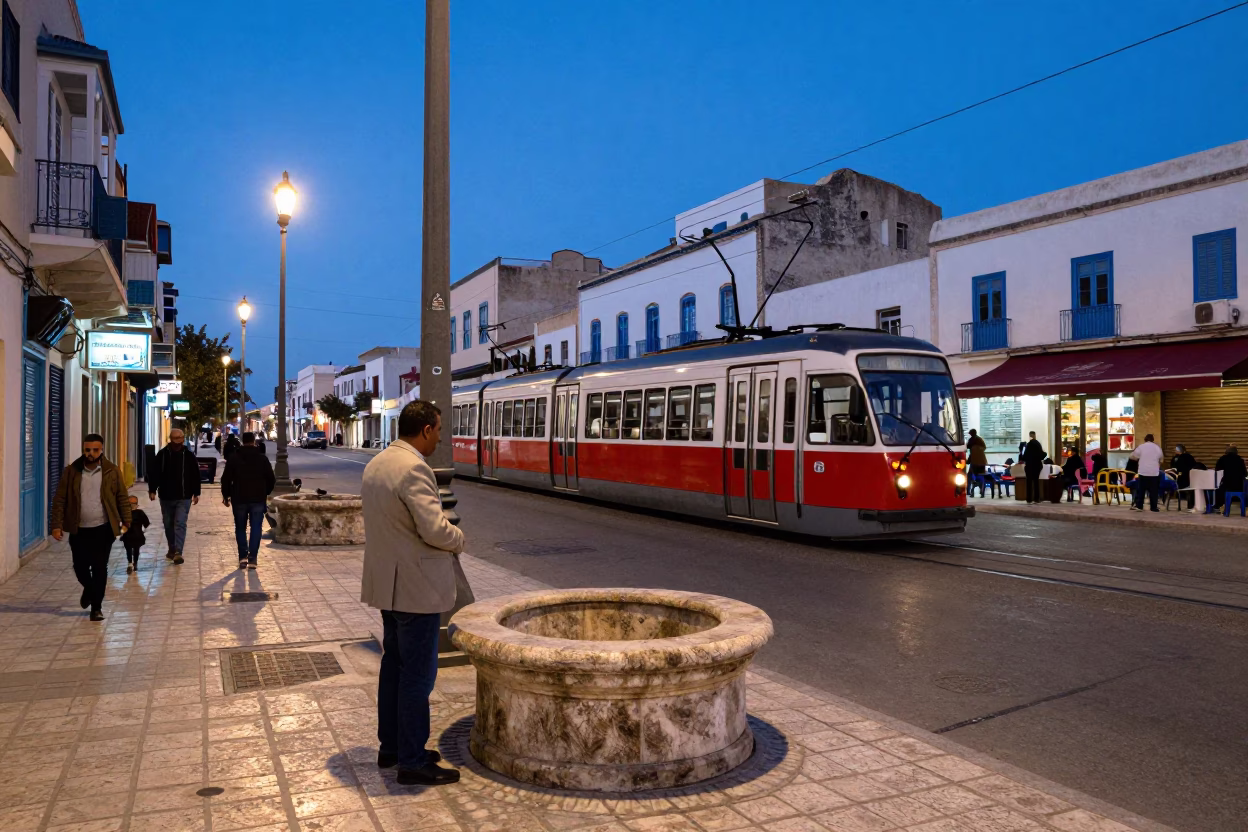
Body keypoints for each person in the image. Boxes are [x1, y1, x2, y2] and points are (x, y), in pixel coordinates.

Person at [360, 401, 465, 787]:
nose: (440, 436)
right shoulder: (415, 468)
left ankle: (392, 747)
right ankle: (412, 760)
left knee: (394, 668)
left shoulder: (379, 462)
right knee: (418, 677)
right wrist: (458, 539)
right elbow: (435, 529)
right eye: (438, 429)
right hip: (415, 588)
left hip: (387, 585)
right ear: (424, 430)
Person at [49, 434, 132, 621]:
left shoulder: (112, 471)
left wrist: (127, 520)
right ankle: (89, 587)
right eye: (87, 449)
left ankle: (96, 607)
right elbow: (60, 499)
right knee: (79, 567)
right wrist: (56, 525)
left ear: (101, 450)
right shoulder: (72, 471)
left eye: (95, 450)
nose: (90, 453)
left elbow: (121, 497)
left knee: (100, 568)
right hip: (79, 529)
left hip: (103, 528)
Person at [221, 431, 276, 570]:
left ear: (242, 442)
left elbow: (226, 479)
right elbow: (271, 479)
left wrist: (226, 495)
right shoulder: (262, 458)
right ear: (253, 441)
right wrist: (265, 492)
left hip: (239, 498)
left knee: (240, 527)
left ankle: (242, 557)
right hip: (257, 498)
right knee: (256, 527)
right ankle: (253, 558)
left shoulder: (234, 458)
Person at [146, 428, 201, 564]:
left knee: (180, 523)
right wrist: (152, 489)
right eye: (175, 438)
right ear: (170, 439)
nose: (177, 441)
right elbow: (155, 473)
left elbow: (195, 474)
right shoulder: (162, 454)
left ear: (183, 439)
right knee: (168, 524)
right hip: (166, 496)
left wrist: (196, 492)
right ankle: (172, 546)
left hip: (184, 496)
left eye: (180, 438)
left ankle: (178, 552)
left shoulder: (188, 455)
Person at [1129, 433, 1164, 512]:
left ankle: (1139, 506)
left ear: (1145, 439)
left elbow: (1133, 456)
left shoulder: (1141, 447)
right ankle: (1154, 507)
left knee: (1141, 489)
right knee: (1153, 491)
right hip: (1154, 472)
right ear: (1153, 440)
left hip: (1143, 472)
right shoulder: (1157, 448)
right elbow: (1161, 459)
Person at [120, 495, 150, 574]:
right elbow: (146, 523)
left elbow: (120, 524)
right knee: (136, 549)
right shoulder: (140, 513)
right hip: (137, 535)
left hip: (128, 536)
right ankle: (134, 563)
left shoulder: (124, 513)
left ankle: (130, 563)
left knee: (129, 550)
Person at [1214, 444, 1247, 512]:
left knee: (1218, 490)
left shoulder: (1223, 458)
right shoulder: (1240, 459)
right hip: (1239, 485)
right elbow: (1245, 473)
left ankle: (1217, 507)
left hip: (1227, 484)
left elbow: (1217, 470)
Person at [1170, 444, 1200, 510]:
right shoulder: (1189, 457)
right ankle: (1190, 505)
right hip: (1191, 480)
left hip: (1180, 481)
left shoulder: (1176, 458)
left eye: (1175, 450)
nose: (1174, 451)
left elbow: (1173, 469)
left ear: (1179, 450)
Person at [1022, 431, 1046, 504]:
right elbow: (1042, 455)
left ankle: (1029, 499)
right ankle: (1036, 498)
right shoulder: (1038, 444)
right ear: (1035, 435)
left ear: (1030, 436)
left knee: (1029, 482)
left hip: (1029, 465)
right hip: (1037, 465)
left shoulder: (1028, 445)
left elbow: (1024, 457)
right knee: (1036, 482)